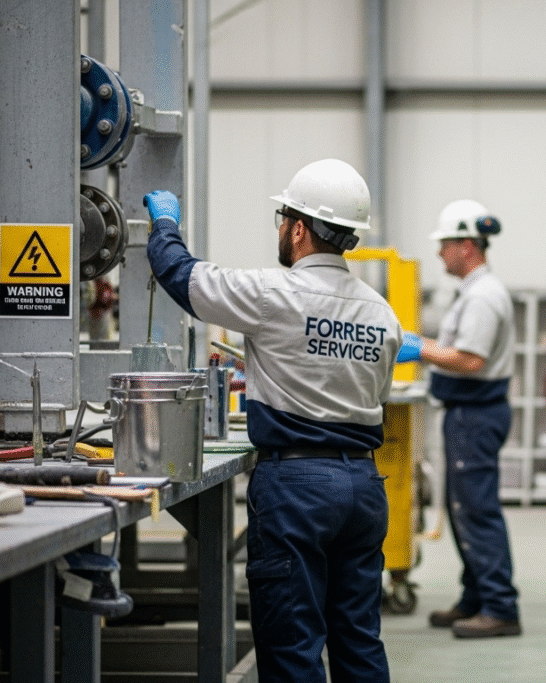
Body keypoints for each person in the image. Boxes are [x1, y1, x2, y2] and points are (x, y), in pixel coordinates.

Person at [144, 158, 401, 682]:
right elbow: (340, 375)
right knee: (358, 639)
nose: (280, 230)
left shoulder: (271, 293)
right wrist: (262, 372)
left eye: (283, 219)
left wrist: (164, 226)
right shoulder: (381, 311)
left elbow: (181, 276)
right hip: (363, 486)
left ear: (300, 228)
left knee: (292, 645)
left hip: (298, 487)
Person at [398, 199, 522, 638]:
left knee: (476, 511)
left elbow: (470, 359)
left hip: (476, 412)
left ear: (466, 246)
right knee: (463, 508)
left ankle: (500, 607)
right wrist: (426, 344)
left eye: (445, 244)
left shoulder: (484, 296)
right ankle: (476, 597)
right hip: (469, 413)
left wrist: (419, 348)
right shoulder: (473, 292)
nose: (439, 253)